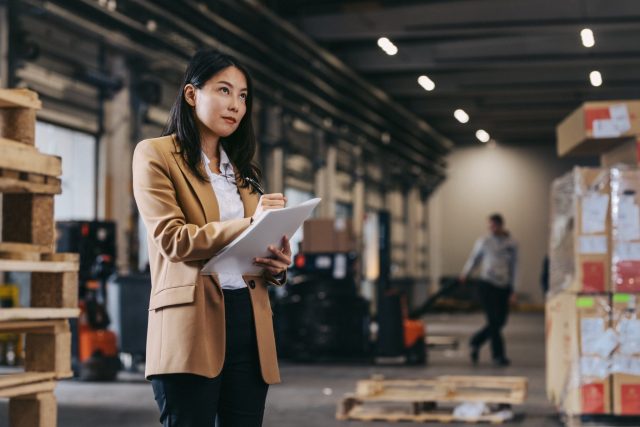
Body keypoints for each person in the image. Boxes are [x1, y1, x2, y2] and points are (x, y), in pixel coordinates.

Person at [132, 49, 291, 427]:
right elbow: (173, 239)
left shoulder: (243, 171)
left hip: (249, 325)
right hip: (189, 324)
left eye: (242, 96)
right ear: (191, 95)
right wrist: (253, 222)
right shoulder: (155, 155)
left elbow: (251, 245)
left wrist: (277, 265)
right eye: (223, 90)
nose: (235, 104)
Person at [459, 213, 518, 367]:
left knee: (501, 321)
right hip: (487, 284)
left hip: (503, 286)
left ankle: (475, 341)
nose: (491, 228)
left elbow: (515, 267)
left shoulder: (511, 244)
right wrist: (465, 273)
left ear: (500, 225)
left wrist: (514, 290)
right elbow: (474, 258)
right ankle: (498, 356)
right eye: (489, 226)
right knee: (493, 320)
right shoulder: (484, 241)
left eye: (494, 226)